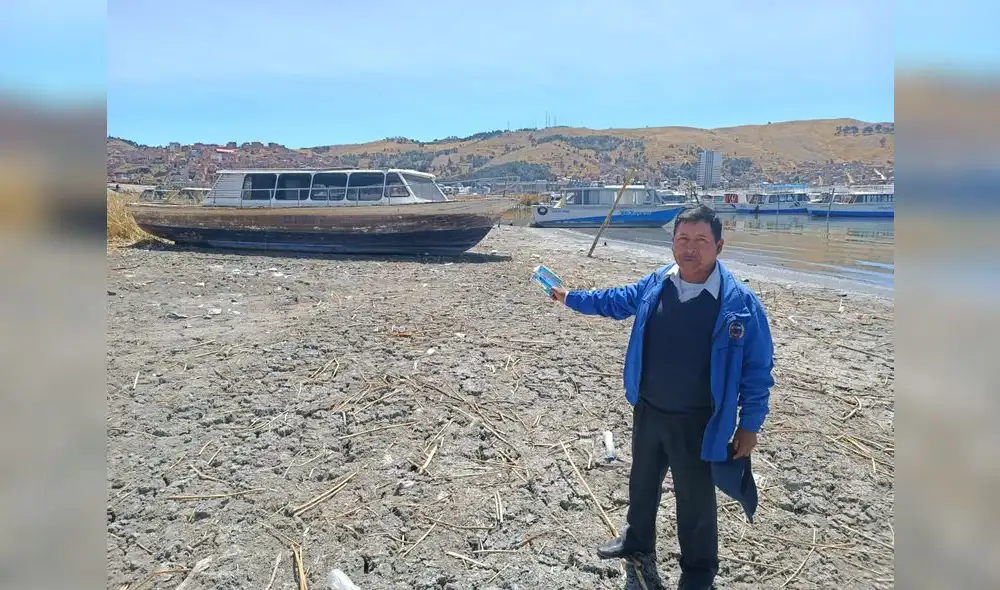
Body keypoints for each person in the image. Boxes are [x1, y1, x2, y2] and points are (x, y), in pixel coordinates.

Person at [550, 204, 775, 590]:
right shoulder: (657, 283)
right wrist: (570, 297)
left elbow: (757, 370)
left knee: (695, 499)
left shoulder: (739, 304)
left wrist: (749, 425)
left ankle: (699, 571)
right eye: (682, 239)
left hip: (700, 420)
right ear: (672, 243)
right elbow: (614, 301)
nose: (690, 248)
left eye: (701, 240)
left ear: (719, 246)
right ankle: (637, 540)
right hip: (649, 408)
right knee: (642, 481)